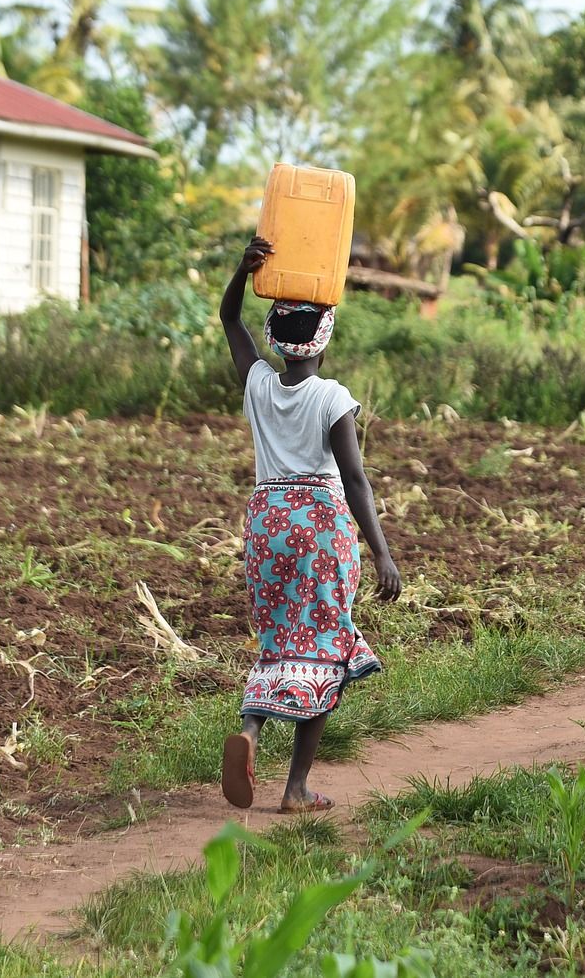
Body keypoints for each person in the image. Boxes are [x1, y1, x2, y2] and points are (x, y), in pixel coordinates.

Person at [218, 234, 402, 813]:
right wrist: (381, 552)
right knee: (326, 648)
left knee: (278, 643)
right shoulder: (333, 398)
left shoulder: (259, 385)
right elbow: (354, 480)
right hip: (320, 526)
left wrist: (242, 274)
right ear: (325, 337)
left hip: (267, 523)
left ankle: (250, 731)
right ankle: (294, 788)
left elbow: (229, 319)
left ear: (275, 335)